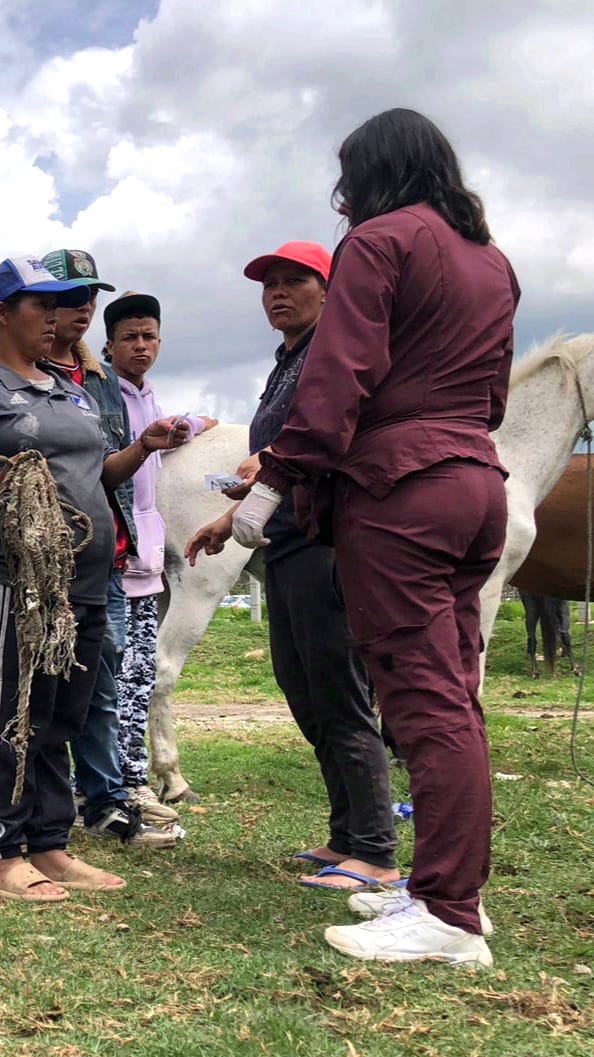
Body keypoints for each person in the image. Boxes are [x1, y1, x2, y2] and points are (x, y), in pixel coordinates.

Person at [229, 108, 518, 966]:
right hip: (475, 478)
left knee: (421, 702)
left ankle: (448, 914)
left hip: (400, 492)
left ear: (371, 176)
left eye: (349, 179)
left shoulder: (380, 242)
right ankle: (453, 893)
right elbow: (492, 394)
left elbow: (337, 377)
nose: (343, 197)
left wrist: (273, 481)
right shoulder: (491, 261)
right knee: (456, 698)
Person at [0, 256, 187, 902]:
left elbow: (96, 474)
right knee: (13, 713)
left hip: (85, 583)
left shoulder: (68, 386)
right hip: (13, 578)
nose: (58, 316)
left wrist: (142, 446)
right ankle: (1, 853)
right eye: (43, 304)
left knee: (60, 717)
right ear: (4, 313)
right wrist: (1, 482)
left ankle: (48, 843)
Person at [186, 241, 401, 892]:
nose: (277, 292)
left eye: (294, 281)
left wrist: (272, 459)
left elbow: (335, 434)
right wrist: (232, 518)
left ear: (330, 290)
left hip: (326, 542)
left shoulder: (336, 357)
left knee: (340, 695)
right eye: (269, 284)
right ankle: (345, 833)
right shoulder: (287, 362)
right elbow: (283, 463)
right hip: (283, 538)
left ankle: (376, 852)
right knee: (304, 691)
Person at [40, 248, 178, 849]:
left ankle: (107, 802)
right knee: (40, 687)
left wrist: (145, 445)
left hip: (104, 558)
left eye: (88, 297)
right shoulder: (2, 378)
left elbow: (107, 473)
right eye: (69, 298)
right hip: (37, 562)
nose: (82, 308)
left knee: (103, 680)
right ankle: (29, 806)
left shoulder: (98, 383)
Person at [104, 292, 213, 821]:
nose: (141, 346)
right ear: (109, 345)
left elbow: (159, 434)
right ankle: (119, 783)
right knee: (117, 674)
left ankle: (133, 775)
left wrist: (190, 424)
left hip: (146, 558)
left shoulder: (146, 395)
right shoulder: (103, 394)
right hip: (116, 553)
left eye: (149, 337)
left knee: (140, 670)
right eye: (129, 337)